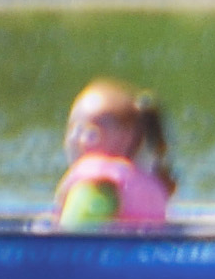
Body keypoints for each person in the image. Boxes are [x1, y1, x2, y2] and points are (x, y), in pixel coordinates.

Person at [51, 81, 176, 230]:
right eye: (73, 129)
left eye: (89, 132)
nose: (74, 140)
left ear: (126, 138)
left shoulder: (97, 185)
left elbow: (74, 234)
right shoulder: (147, 181)